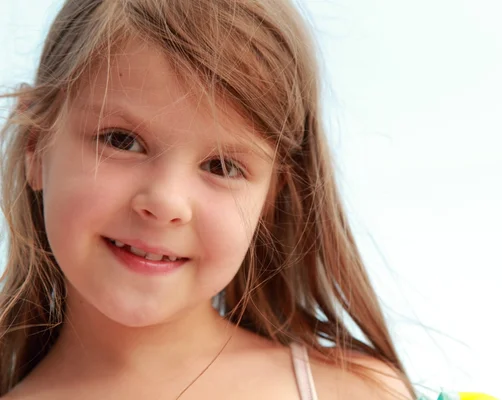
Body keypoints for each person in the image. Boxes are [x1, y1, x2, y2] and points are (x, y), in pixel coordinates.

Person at [0, 0, 416, 398]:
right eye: (122, 141)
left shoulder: (350, 392)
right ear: (37, 145)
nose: (165, 202)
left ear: (272, 195)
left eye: (221, 167)